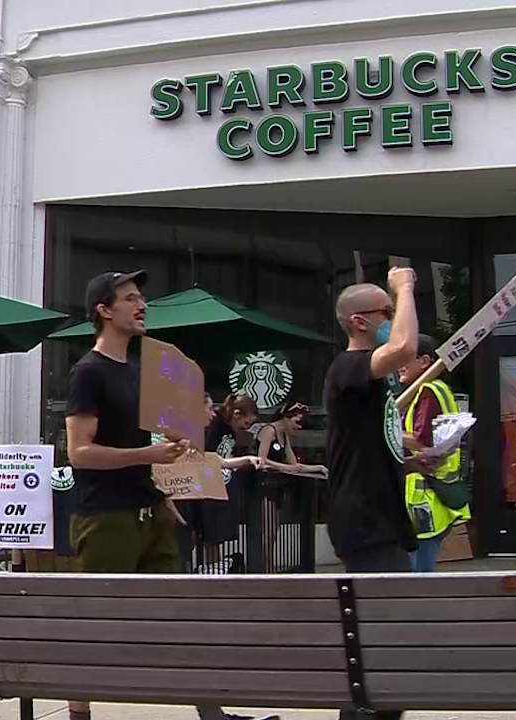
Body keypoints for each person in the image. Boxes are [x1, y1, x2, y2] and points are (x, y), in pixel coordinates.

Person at [65, 271, 275, 720]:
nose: (142, 305)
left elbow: (154, 442)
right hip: (106, 519)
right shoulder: (88, 372)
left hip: (151, 513)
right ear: (104, 310)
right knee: (95, 625)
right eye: (130, 298)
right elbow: (79, 452)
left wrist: (164, 489)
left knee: (180, 615)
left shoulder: (140, 372)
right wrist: (147, 454)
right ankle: (79, 714)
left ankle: (212, 714)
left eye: (141, 298)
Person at [326, 266, 439, 720]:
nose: (394, 318)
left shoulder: (373, 381)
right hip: (365, 521)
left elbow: (369, 444)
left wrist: (408, 462)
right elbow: (406, 347)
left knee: (381, 644)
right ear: (359, 321)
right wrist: (405, 286)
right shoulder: (349, 367)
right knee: (381, 644)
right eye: (386, 313)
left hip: (383, 517)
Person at [398, 334, 469, 572]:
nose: (399, 365)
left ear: (425, 361)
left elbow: (421, 440)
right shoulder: (433, 391)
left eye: (406, 358)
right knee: (418, 574)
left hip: (426, 500)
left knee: (416, 577)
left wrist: (386, 430)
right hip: (434, 497)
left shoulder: (428, 391)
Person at [191, 392, 261, 571]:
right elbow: (210, 456)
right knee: (207, 535)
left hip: (220, 484)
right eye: (246, 423)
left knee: (216, 536)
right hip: (207, 485)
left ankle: (214, 570)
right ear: (236, 414)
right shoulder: (216, 427)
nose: (245, 428)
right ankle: (207, 570)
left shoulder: (229, 430)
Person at [255, 401, 326, 570]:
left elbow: (295, 465)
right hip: (263, 487)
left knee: (272, 532)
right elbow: (261, 460)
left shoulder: (284, 436)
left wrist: (318, 468)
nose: (299, 427)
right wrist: (286, 468)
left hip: (277, 488)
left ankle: (268, 567)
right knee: (267, 532)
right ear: (286, 417)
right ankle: (263, 568)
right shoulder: (269, 431)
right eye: (297, 422)